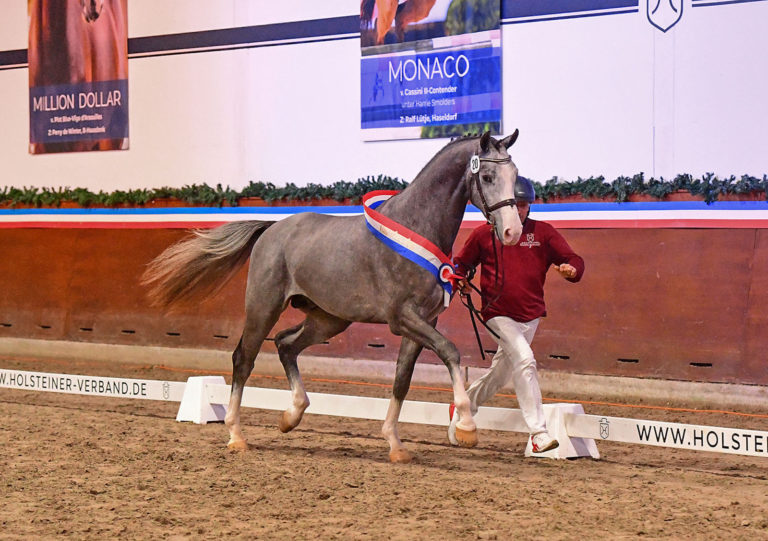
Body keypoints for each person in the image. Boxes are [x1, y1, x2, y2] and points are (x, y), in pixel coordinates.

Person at [449, 176, 584, 453]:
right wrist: (459, 276)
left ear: (529, 206)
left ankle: (465, 404)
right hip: (497, 314)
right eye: (514, 204)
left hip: (530, 316)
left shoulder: (543, 233)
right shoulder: (484, 234)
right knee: (525, 360)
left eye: (523, 205)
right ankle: (538, 432)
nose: (519, 210)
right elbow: (461, 263)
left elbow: (574, 260)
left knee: (501, 373)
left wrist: (572, 271)